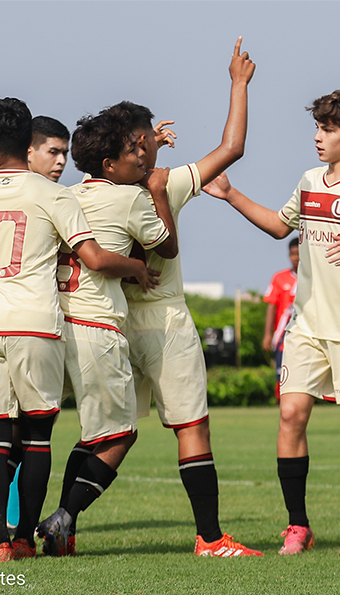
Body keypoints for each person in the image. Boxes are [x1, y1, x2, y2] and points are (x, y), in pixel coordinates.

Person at [203, 87, 340, 555]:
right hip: (307, 326)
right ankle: (298, 527)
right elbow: (279, 225)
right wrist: (230, 194)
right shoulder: (311, 180)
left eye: (327, 129)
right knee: (291, 414)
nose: (318, 136)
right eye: (317, 127)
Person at [0, 97, 155, 562]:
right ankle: (24, 538)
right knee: (36, 439)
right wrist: (134, 266)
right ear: (27, 143)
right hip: (35, 323)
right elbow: (90, 256)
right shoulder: (53, 195)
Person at [100, 37, 261, 557]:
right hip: (165, 322)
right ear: (140, 145)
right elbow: (231, 147)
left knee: (106, 435)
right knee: (191, 426)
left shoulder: (87, 191)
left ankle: (62, 522)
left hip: (111, 321)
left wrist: (145, 151)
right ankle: (210, 538)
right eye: (145, 137)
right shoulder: (163, 185)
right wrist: (237, 84)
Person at [37, 110, 177, 558]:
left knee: (51, 432)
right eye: (131, 150)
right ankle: (64, 516)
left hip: (54, 325)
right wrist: (155, 191)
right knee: (120, 434)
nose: (140, 155)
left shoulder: (63, 195)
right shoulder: (128, 198)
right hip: (97, 325)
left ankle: (25, 530)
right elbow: (166, 246)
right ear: (109, 165)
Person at [263, 237, 299, 399]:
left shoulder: (314, 278)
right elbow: (271, 306)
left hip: (306, 334)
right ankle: (283, 409)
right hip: (283, 337)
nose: (296, 258)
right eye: (293, 254)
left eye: (299, 254)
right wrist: (268, 334)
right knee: (281, 376)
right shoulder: (280, 278)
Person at [28, 116, 70, 183]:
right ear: (29, 153)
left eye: (64, 153)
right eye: (53, 152)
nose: (62, 161)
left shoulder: (63, 192)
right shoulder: (10, 190)